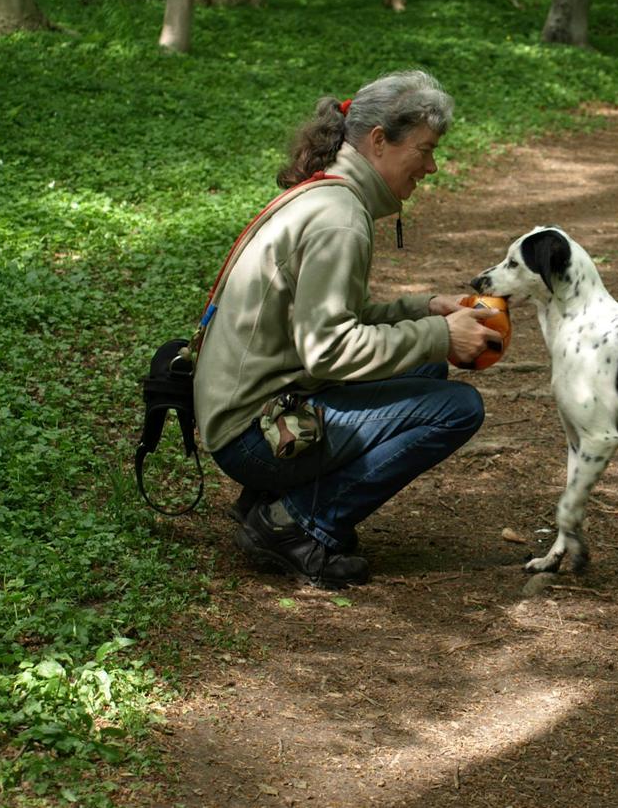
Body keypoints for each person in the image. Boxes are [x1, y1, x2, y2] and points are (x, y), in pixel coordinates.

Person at [193, 70, 503, 590]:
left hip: (248, 407)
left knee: (425, 364)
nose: (431, 166)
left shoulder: (329, 195)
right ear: (379, 141)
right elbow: (329, 349)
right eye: (425, 150)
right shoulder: (340, 219)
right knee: (458, 409)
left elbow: (329, 319)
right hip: (252, 435)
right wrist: (442, 336)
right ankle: (293, 522)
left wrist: (422, 310)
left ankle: (269, 499)